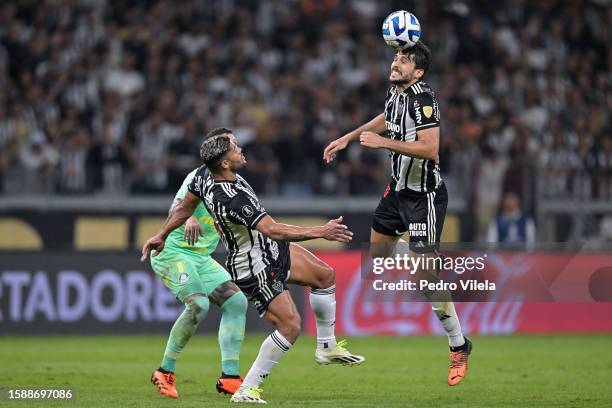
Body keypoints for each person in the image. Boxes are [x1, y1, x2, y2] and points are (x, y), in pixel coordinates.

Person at [142, 128, 364, 404]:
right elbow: (273, 230)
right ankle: (247, 389)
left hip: (266, 249)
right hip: (253, 262)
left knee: (324, 275)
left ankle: (327, 346)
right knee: (291, 326)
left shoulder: (203, 176)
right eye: (235, 147)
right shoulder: (231, 196)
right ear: (224, 162)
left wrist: (160, 233)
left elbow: (186, 206)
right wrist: (322, 231)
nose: (241, 150)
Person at [323, 42, 472, 386]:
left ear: (418, 72)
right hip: (396, 192)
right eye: (395, 56)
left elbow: (431, 148)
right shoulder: (396, 93)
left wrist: (382, 142)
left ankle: (459, 345)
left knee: (425, 281)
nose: (396, 61)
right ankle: (427, 257)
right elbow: (386, 118)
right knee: (379, 256)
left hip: (424, 198)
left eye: (404, 60)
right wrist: (349, 137)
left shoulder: (424, 98)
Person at [148, 165, 248, 399]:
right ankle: (165, 370)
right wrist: (190, 216)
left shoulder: (238, 184)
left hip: (201, 258)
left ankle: (230, 377)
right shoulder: (201, 175)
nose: (239, 149)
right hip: (172, 252)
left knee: (236, 302)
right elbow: (177, 204)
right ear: (223, 156)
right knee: (198, 305)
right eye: (233, 145)